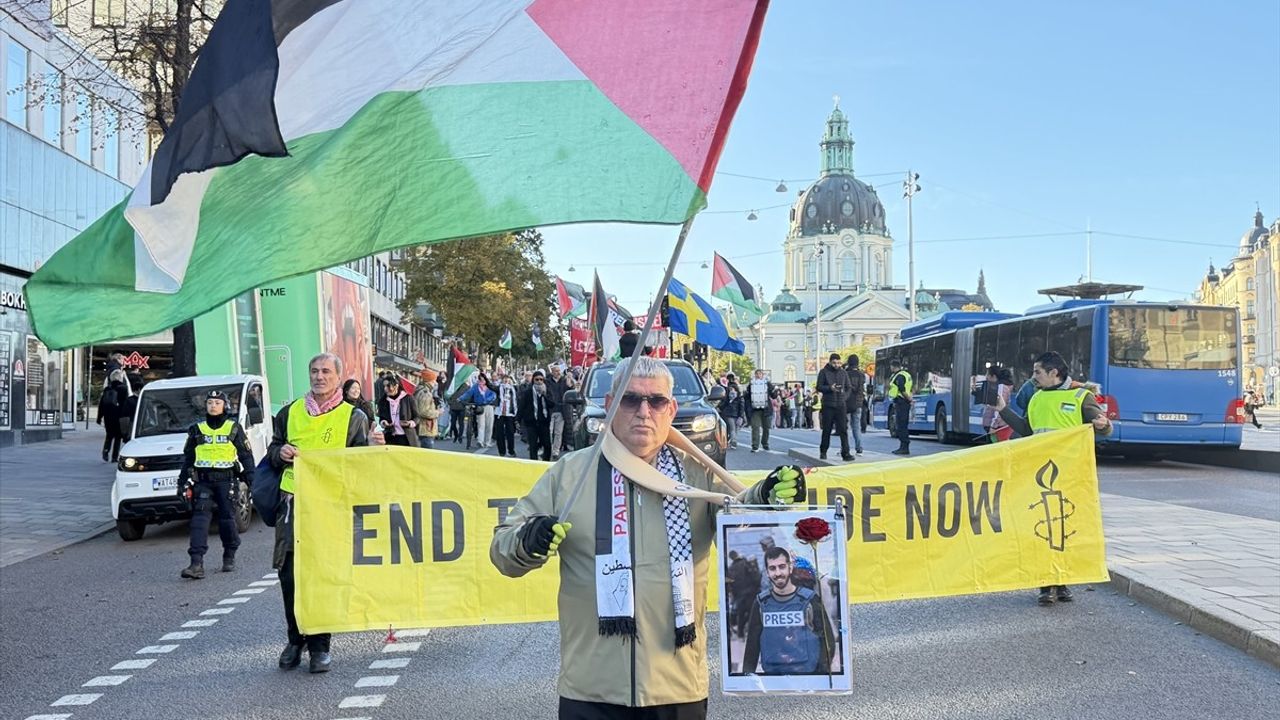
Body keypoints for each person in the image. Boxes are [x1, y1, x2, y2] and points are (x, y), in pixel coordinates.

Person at [490, 356, 807, 719]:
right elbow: (503, 550)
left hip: (677, 688)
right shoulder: (570, 474)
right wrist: (528, 541)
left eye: (656, 401)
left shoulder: (697, 474)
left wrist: (767, 495)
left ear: (671, 410)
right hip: (590, 690)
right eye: (630, 399)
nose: (644, 411)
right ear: (610, 405)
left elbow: (740, 520)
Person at [268, 353, 382, 673]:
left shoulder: (354, 417)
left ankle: (320, 646)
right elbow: (273, 450)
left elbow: (361, 465)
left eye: (326, 372)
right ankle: (295, 639)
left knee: (322, 574)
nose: (319, 376)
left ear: (338, 377)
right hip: (293, 503)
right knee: (289, 575)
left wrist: (374, 448)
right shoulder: (289, 412)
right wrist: (280, 452)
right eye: (315, 371)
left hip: (330, 505)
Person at [996, 351, 1112, 606]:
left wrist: (1103, 425)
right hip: (1039, 476)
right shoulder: (1037, 398)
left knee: (1066, 531)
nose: (1033, 377)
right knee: (1042, 531)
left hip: (1072, 477)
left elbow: (1104, 428)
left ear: (1054, 373)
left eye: (1037, 372)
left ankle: (1062, 581)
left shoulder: (1081, 396)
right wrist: (1003, 410)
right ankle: (1046, 585)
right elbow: (1027, 430)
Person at [177, 390, 254, 579]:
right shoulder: (197, 429)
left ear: (224, 406)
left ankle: (229, 554)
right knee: (199, 520)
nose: (213, 406)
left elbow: (246, 456)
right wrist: (182, 483)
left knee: (227, 519)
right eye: (210, 402)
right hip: (203, 481)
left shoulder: (233, 428)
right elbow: (188, 459)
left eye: (217, 403)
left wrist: (253, 481)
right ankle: (196, 563)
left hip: (226, 481)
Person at [740, 546, 835, 675]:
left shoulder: (810, 599)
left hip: (807, 676)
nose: (778, 573)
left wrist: (820, 674)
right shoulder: (761, 603)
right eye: (772, 568)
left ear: (790, 568)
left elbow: (828, 640)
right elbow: (752, 647)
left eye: (782, 567)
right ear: (767, 572)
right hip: (773, 677)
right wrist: (747, 679)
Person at [817, 353, 853, 462]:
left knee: (843, 430)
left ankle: (846, 453)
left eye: (838, 363)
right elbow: (819, 387)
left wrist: (844, 397)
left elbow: (849, 387)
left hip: (841, 405)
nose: (836, 365)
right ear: (830, 362)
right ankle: (823, 451)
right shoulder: (823, 372)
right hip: (828, 405)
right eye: (834, 363)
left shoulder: (843, 373)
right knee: (827, 429)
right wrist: (830, 388)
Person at [517, 369, 555, 461]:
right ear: (533, 380)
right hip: (531, 423)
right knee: (533, 446)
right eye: (537, 379)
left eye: (541, 379)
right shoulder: (528, 392)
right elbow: (521, 406)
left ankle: (545, 462)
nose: (539, 381)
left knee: (547, 445)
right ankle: (533, 463)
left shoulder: (547, 391)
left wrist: (544, 395)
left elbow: (552, 404)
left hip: (544, 422)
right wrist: (517, 420)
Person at [377, 375, 420, 447]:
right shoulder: (383, 401)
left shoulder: (408, 398)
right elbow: (381, 418)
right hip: (390, 437)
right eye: (384, 386)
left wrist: (410, 423)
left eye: (388, 386)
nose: (385, 389)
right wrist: (383, 422)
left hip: (407, 438)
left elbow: (417, 417)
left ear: (396, 386)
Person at [97, 370, 130, 462]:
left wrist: (99, 417)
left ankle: (105, 451)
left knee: (109, 435)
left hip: (108, 416)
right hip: (119, 415)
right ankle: (114, 457)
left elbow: (101, 404)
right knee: (118, 437)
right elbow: (126, 403)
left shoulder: (107, 389)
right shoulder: (124, 388)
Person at [461, 373, 497, 448]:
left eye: (483, 379)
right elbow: (468, 393)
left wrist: (486, 400)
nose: (482, 381)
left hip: (489, 406)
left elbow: (493, 395)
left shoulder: (490, 386)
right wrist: (460, 398)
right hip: (479, 407)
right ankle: (480, 441)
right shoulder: (476, 386)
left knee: (489, 425)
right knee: (481, 424)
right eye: (480, 379)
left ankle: (487, 442)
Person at [887, 358, 913, 456]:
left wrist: (909, 399)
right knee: (903, 424)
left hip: (902, 402)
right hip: (904, 402)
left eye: (891, 367)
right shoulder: (906, 374)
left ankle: (904, 447)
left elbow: (902, 390)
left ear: (893, 367)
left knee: (901, 425)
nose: (891, 368)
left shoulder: (899, 376)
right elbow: (910, 388)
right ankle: (903, 447)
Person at [746, 369, 777, 452]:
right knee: (755, 427)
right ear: (755, 375)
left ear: (762, 375)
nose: (758, 375)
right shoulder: (751, 384)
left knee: (766, 428)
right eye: (757, 374)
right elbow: (747, 397)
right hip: (755, 410)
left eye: (760, 374)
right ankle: (755, 446)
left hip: (766, 409)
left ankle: (765, 443)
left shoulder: (767, 384)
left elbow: (774, 396)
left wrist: (773, 390)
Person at [547, 364, 571, 459]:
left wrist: (570, 382)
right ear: (552, 372)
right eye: (556, 371)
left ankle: (555, 451)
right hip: (550, 411)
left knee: (558, 433)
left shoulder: (564, 381)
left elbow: (571, 389)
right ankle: (548, 449)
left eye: (559, 371)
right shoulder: (547, 382)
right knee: (549, 432)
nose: (558, 373)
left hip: (561, 411)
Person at [844, 356, 866, 455]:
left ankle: (845, 447)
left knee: (845, 427)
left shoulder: (845, 373)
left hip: (847, 403)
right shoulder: (861, 375)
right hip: (858, 403)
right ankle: (859, 447)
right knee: (856, 427)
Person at [494, 372, 520, 457]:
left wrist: (514, 380)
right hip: (499, 413)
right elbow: (490, 386)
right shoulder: (499, 388)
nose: (506, 380)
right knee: (499, 433)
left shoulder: (513, 389)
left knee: (510, 432)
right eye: (504, 379)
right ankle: (501, 451)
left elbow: (519, 391)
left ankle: (511, 450)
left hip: (510, 413)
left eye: (507, 379)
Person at [413, 380, 440, 448]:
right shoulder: (426, 393)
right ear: (429, 381)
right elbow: (424, 412)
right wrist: (438, 412)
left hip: (420, 427)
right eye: (434, 381)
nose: (435, 383)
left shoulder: (418, 390)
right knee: (427, 449)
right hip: (426, 428)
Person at [719, 372, 742, 449]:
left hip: (729, 413)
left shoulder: (727, 389)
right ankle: (733, 440)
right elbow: (741, 405)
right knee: (734, 428)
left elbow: (725, 402)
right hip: (736, 413)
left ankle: (733, 441)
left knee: (731, 428)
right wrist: (741, 415)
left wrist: (719, 408)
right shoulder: (738, 391)